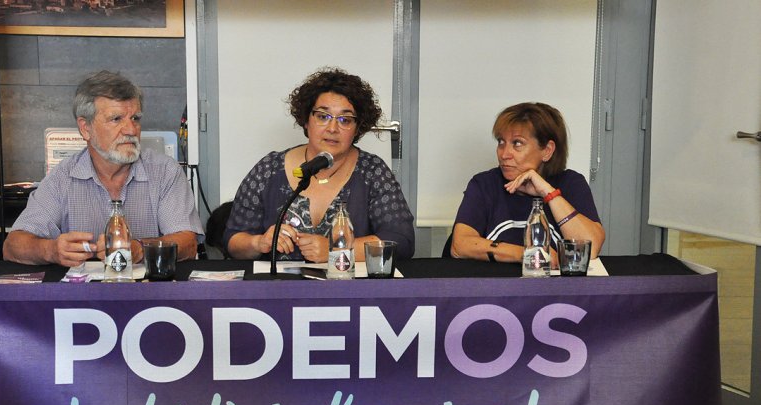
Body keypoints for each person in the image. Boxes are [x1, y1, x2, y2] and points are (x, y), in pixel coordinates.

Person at [3, 70, 203, 267]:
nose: (131, 130)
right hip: (82, 296)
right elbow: (13, 246)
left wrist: (141, 248)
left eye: (135, 118)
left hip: (150, 294)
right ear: (85, 128)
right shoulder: (62, 177)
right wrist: (51, 250)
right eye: (116, 119)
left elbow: (188, 243)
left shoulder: (165, 171)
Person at [224, 67, 415, 262]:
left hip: (351, 290)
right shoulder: (269, 168)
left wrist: (338, 250)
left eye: (345, 120)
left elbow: (402, 242)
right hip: (280, 289)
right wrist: (259, 242)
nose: (333, 128)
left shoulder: (372, 171)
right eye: (323, 116)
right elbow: (232, 241)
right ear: (306, 120)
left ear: (357, 128)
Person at [450, 102, 604, 263]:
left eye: (517, 143)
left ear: (547, 150)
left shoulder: (571, 183)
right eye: (501, 142)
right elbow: (459, 246)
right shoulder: (484, 184)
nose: (504, 154)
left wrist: (549, 193)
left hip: (554, 288)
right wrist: (528, 254)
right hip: (495, 286)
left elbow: (590, 249)